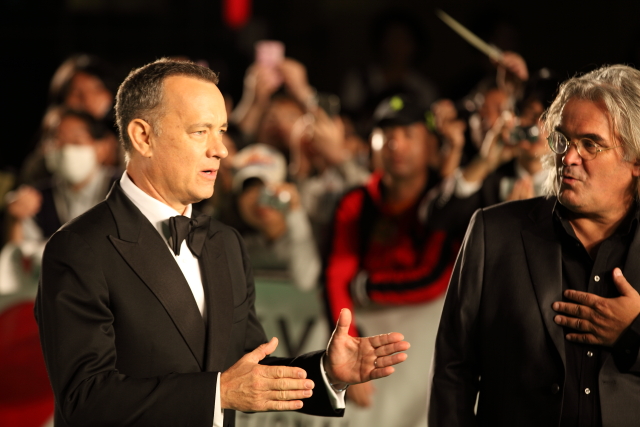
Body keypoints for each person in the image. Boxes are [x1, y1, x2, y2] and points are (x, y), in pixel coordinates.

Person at [35, 58, 410, 427]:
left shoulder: (224, 242)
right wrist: (218, 393)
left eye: (222, 131)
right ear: (143, 137)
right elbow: (85, 398)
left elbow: (248, 368)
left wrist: (326, 371)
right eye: (201, 131)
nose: (221, 149)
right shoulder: (78, 249)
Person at [428, 64, 640, 426]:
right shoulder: (493, 233)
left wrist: (632, 333)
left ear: (635, 160)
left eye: (590, 145)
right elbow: (452, 372)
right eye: (563, 140)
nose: (568, 158)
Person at [324, 95, 459, 427]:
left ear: (431, 145)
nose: (395, 144)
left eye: (408, 134)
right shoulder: (357, 201)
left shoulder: (448, 202)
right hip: (373, 355)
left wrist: (366, 288)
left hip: (426, 359)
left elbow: (435, 278)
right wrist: (348, 345)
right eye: (386, 134)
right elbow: (338, 277)